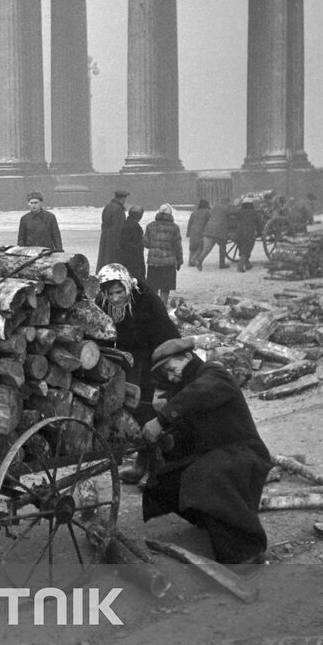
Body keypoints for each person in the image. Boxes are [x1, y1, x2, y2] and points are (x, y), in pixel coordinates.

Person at [142, 337, 271, 565]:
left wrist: (162, 419)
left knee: (205, 478)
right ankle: (213, 519)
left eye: (172, 369)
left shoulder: (214, 374)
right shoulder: (188, 387)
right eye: (167, 374)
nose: (171, 377)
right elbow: (189, 434)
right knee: (165, 482)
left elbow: (198, 394)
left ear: (188, 357)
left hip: (245, 452)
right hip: (219, 454)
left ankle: (248, 550)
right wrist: (169, 441)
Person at [96, 263, 179, 483]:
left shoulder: (147, 301)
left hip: (155, 357)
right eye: (110, 293)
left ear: (126, 286)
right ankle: (141, 463)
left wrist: (159, 378)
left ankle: (156, 470)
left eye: (118, 292)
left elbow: (165, 339)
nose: (114, 298)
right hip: (128, 359)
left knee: (148, 411)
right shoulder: (102, 302)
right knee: (130, 410)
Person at [142, 204, 183, 307]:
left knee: (153, 287)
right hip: (168, 263)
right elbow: (177, 246)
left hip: (153, 262)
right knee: (165, 288)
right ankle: (163, 306)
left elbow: (146, 243)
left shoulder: (150, 226)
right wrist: (179, 261)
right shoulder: (174, 227)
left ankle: (154, 307)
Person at [193, 196, 235, 270]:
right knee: (222, 247)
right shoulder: (227, 208)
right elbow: (233, 214)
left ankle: (199, 260)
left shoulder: (215, 206)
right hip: (220, 231)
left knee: (207, 248)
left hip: (209, 229)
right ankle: (222, 264)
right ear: (227, 202)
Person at [96, 189, 129, 272]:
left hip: (105, 237)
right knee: (112, 262)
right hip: (113, 240)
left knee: (104, 259)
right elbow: (118, 228)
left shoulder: (108, 206)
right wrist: (119, 243)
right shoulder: (118, 209)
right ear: (122, 199)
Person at [116, 205, 145, 281]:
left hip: (125, 259)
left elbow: (122, 243)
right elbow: (125, 243)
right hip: (133, 259)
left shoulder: (125, 225)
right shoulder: (134, 227)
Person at [235, 198, 263, 273]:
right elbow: (258, 223)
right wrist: (260, 232)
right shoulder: (253, 212)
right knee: (247, 249)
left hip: (239, 232)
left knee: (241, 247)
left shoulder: (239, 211)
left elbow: (237, 219)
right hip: (249, 232)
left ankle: (247, 264)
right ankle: (240, 266)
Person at [186, 199, 211, 267]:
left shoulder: (194, 213)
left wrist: (188, 233)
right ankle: (193, 259)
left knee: (192, 247)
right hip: (201, 230)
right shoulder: (207, 212)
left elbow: (190, 223)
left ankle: (190, 261)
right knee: (201, 247)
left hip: (193, 230)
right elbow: (209, 222)